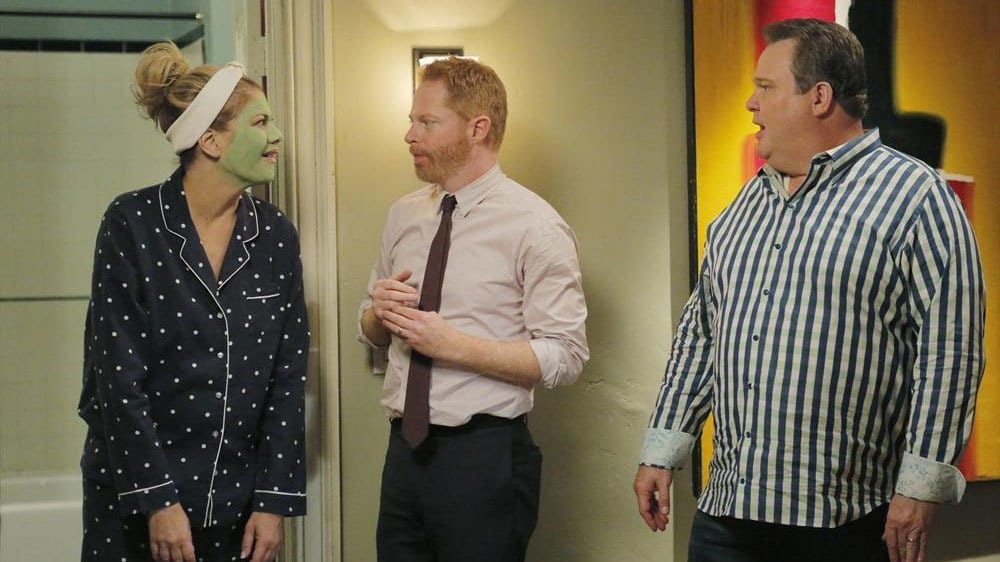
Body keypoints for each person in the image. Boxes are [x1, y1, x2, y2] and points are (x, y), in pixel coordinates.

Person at [633, 18, 984, 562]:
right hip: (727, 518)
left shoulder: (916, 199)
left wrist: (921, 486)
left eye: (765, 87)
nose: (752, 103)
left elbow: (950, 353)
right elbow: (701, 335)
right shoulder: (743, 207)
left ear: (819, 97)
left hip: (844, 523)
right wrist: (663, 446)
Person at [77, 42, 309, 562]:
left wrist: (273, 500)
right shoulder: (132, 224)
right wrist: (158, 500)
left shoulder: (275, 236)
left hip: (238, 505)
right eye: (260, 122)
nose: (277, 136)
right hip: (135, 500)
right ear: (210, 141)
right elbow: (115, 377)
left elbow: (287, 376)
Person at [358, 57, 589, 562]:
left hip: (484, 457)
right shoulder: (403, 214)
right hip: (403, 454)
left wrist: (454, 347)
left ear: (477, 128)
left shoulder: (536, 227)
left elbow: (566, 356)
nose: (409, 135)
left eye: (427, 122)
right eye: (412, 120)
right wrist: (377, 314)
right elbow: (369, 329)